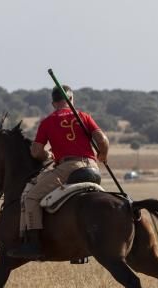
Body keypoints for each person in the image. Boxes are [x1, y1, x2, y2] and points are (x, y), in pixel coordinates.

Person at [8, 85, 110, 260]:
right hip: (93, 169)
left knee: (31, 197)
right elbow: (101, 139)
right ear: (71, 99)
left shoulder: (48, 122)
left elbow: (36, 152)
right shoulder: (84, 116)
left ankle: (33, 245)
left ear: (53, 103)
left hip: (68, 167)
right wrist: (103, 154)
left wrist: (48, 155)